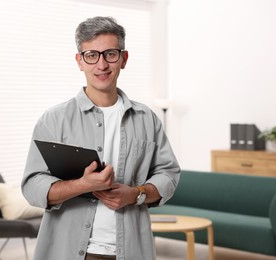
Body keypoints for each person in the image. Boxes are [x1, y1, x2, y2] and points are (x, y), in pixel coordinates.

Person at [22, 16, 180, 260]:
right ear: (80, 61)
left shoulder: (146, 118)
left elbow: (168, 175)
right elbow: (33, 186)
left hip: (131, 251)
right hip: (66, 251)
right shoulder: (54, 119)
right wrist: (83, 185)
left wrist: (136, 194)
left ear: (123, 59)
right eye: (92, 55)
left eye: (110, 54)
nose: (102, 65)